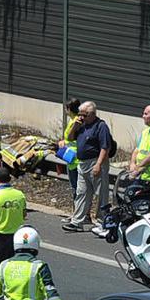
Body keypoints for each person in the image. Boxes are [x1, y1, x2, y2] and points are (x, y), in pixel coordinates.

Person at [61, 101, 111, 237]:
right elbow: (70, 138)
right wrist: (75, 126)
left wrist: (99, 164)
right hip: (82, 163)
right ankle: (77, 221)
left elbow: (105, 147)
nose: (81, 117)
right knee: (82, 192)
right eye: (79, 114)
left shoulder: (101, 126)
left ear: (92, 114)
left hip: (95, 162)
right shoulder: (81, 125)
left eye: (84, 114)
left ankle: (102, 221)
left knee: (101, 194)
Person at [56, 98, 81, 221]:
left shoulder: (76, 122)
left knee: (76, 188)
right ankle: (76, 214)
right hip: (71, 158)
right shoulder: (74, 120)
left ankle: (76, 215)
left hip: (75, 159)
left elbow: (74, 139)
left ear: (69, 109)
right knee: (75, 188)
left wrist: (65, 142)